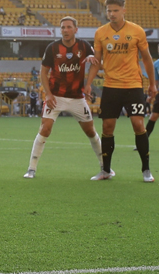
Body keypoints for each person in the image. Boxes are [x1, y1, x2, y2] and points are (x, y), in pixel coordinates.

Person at [25, 17, 103, 179]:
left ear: (76, 29)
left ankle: (105, 167)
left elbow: (97, 62)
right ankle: (31, 169)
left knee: (90, 131)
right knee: (45, 128)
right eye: (62, 27)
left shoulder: (84, 46)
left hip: (77, 98)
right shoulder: (52, 48)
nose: (65, 30)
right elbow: (43, 72)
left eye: (68, 27)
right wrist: (48, 94)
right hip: (56, 97)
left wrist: (88, 84)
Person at [92, 0, 157, 182]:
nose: (111, 14)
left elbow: (146, 59)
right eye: (109, 11)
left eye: (115, 11)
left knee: (138, 124)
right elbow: (97, 62)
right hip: (111, 86)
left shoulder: (136, 31)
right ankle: (106, 170)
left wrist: (152, 84)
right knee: (107, 126)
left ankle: (146, 170)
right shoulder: (100, 33)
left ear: (123, 10)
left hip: (133, 85)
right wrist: (88, 83)